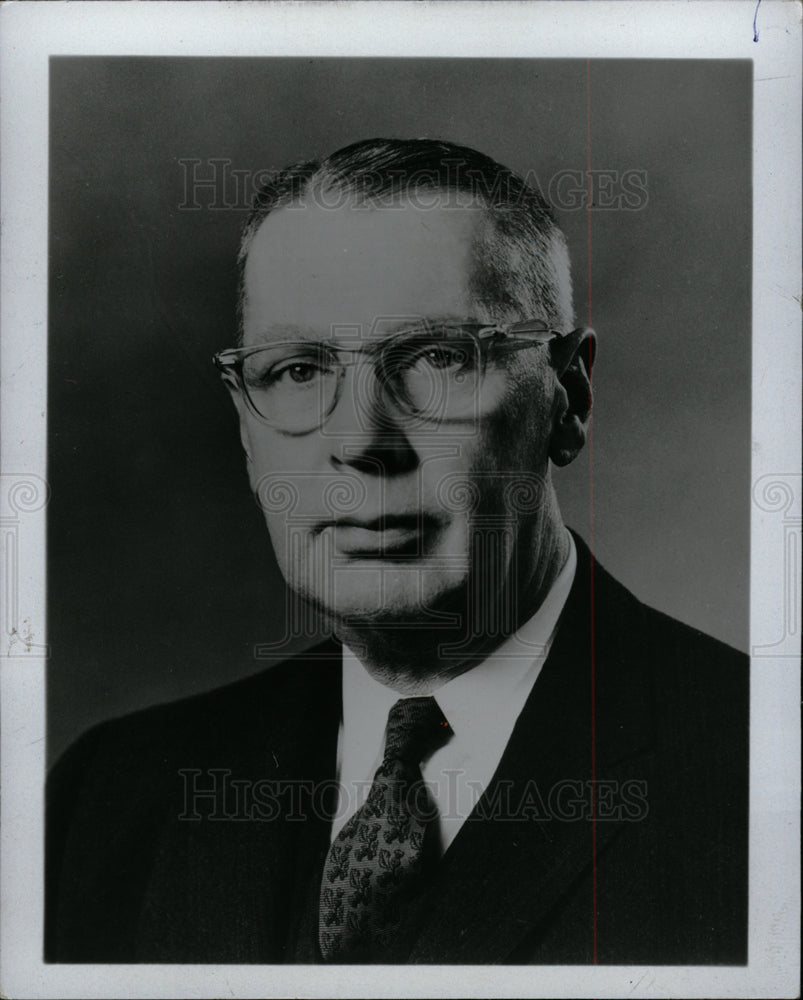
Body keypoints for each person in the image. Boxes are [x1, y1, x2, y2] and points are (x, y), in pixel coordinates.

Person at [46, 138, 748, 965]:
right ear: (245, 426)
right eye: (299, 370)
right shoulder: (114, 793)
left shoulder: (761, 768)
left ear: (569, 395)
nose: (359, 442)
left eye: (436, 358)